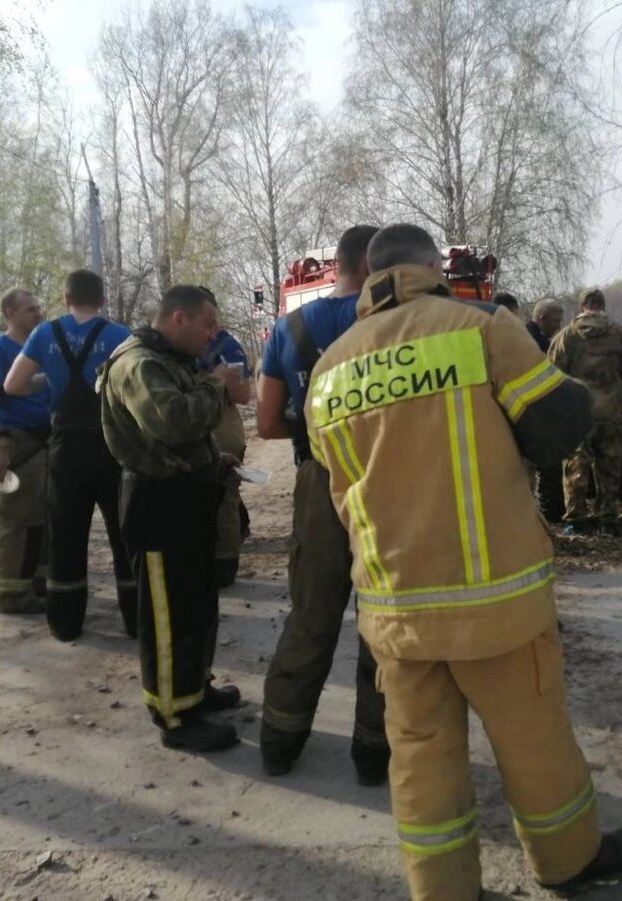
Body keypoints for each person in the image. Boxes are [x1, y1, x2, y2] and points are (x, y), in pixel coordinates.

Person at [305, 223, 622, 900]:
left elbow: (343, 489)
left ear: (372, 275)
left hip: (397, 610)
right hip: (497, 601)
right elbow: (556, 430)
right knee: (534, 741)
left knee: (422, 761)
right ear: (433, 266)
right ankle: (568, 861)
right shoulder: (480, 328)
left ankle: (443, 889)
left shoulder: (328, 370)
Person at [256, 224, 389, 784]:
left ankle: (280, 742)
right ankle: (372, 752)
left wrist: (315, 422)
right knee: (380, 621)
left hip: (319, 480)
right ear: (376, 266)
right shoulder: (392, 325)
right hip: (387, 482)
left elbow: (265, 423)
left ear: (336, 265)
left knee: (311, 615)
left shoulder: (289, 328)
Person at [98, 284, 247, 752]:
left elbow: (182, 438)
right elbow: (174, 421)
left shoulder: (167, 359)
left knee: (196, 605)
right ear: (178, 319)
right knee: (167, 614)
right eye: (207, 325)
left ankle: (194, 690)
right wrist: (216, 384)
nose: (211, 335)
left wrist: (212, 459)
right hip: (158, 505)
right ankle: (174, 716)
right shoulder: (138, 363)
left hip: (185, 497)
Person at [4, 270, 135, 642]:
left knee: (66, 535)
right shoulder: (119, 335)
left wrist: (47, 379)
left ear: (65, 299)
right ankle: (133, 618)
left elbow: (13, 385)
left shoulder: (45, 334)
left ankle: (65, 622)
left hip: (65, 449)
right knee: (123, 532)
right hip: (110, 445)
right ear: (102, 300)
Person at [0, 288, 51, 614]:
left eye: (38, 308)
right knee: (16, 520)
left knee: (44, 518)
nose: (38, 313)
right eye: (30, 309)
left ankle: (38, 584)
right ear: (9, 313)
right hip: (18, 444)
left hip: (46, 441)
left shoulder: (41, 350)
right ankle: (12, 594)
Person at [549, 288, 622, 531]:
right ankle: (608, 518)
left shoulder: (566, 336)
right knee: (609, 467)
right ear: (602, 306)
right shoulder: (619, 333)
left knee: (575, 466)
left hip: (577, 411)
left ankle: (576, 520)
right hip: (611, 410)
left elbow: (550, 371)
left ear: (582, 306)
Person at [196, 306, 252, 589]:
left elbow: (243, 394)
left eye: (213, 321)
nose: (210, 328)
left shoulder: (226, 347)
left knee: (225, 494)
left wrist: (217, 380)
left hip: (222, 425)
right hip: (191, 426)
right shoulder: (177, 346)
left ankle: (226, 561)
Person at [525, 299, 566, 522]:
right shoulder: (532, 340)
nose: (558, 326)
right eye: (555, 321)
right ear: (542, 319)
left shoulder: (537, 336)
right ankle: (548, 510)